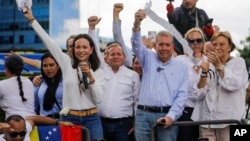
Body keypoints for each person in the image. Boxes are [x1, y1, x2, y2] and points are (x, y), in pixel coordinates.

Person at [22, 5, 105, 141]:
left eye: (85, 47)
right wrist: (32, 20)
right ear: (73, 50)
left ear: (91, 50)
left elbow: (99, 99)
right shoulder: (66, 63)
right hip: (70, 117)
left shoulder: (98, 72)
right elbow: (49, 42)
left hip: (92, 118)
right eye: (77, 47)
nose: (81, 50)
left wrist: (91, 77)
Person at [131, 9, 189, 141]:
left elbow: (182, 95)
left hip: (167, 115)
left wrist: (171, 116)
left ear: (172, 46)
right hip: (143, 115)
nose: (164, 48)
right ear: (155, 45)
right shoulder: (147, 57)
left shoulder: (181, 67)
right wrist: (136, 25)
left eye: (167, 45)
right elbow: (136, 45)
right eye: (161, 44)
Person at [87, 11, 140, 141]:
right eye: (112, 54)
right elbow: (94, 49)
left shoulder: (132, 75)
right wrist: (92, 29)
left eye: (118, 54)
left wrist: (136, 123)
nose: (115, 56)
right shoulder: (101, 70)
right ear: (106, 57)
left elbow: (137, 101)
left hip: (123, 125)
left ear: (124, 57)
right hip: (100, 122)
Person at [192, 31, 248, 141]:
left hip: (230, 121)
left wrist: (218, 65)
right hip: (207, 121)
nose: (217, 47)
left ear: (230, 47)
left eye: (222, 44)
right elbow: (197, 94)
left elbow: (232, 85)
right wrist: (203, 73)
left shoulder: (239, 62)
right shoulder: (207, 63)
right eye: (214, 44)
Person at [175, 28, 207, 141]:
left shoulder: (209, 61)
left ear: (203, 42)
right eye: (191, 41)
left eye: (198, 40)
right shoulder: (179, 60)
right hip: (186, 112)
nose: (195, 43)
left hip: (205, 112)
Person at [0, 55, 35, 119]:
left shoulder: (2, 84)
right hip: (32, 124)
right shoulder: (29, 82)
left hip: (14, 124)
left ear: (7, 69)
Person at [0, 114, 73, 141]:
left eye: (22, 134)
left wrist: (58, 122)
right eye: (14, 134)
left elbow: (33, 119)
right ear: (5, 131)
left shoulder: (25, 128)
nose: (19, 138)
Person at [34, 52, 62, 119]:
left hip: (62, 121)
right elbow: (34, 106)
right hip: (44, 122)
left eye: (51, 65)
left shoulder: (66, 82)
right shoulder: (38, 82)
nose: (48, 69)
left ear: (58, 66)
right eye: (45, 66)